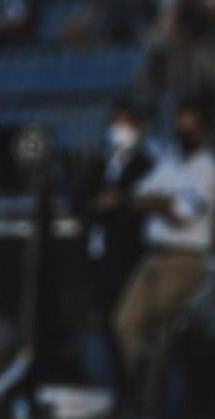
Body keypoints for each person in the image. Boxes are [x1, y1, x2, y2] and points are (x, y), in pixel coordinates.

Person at [115, 95, 215, 419]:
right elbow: (136, 197)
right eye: (180, 122)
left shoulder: (208, 167)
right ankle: (139, 391)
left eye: (189, 123)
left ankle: (149, 406)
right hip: (154, 257)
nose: (182, 129)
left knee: (161, 328)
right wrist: (163, 202)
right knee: (125, 323)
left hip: (185, 259)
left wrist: (160, 202)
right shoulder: (170, 161)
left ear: (203, 128)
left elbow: (184, 214)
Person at [72, 98, 153, 391]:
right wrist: (100, 205)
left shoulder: (146, 165)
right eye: (117, 122)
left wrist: (117, 205)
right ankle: (117, 389)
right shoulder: (99, 163)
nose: (121, 129)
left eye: (127, 123)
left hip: (130, 257)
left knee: (128, 324)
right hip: (99, 257)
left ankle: (137, 391)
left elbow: (139, 207)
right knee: (107, 325)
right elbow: (78, 202)